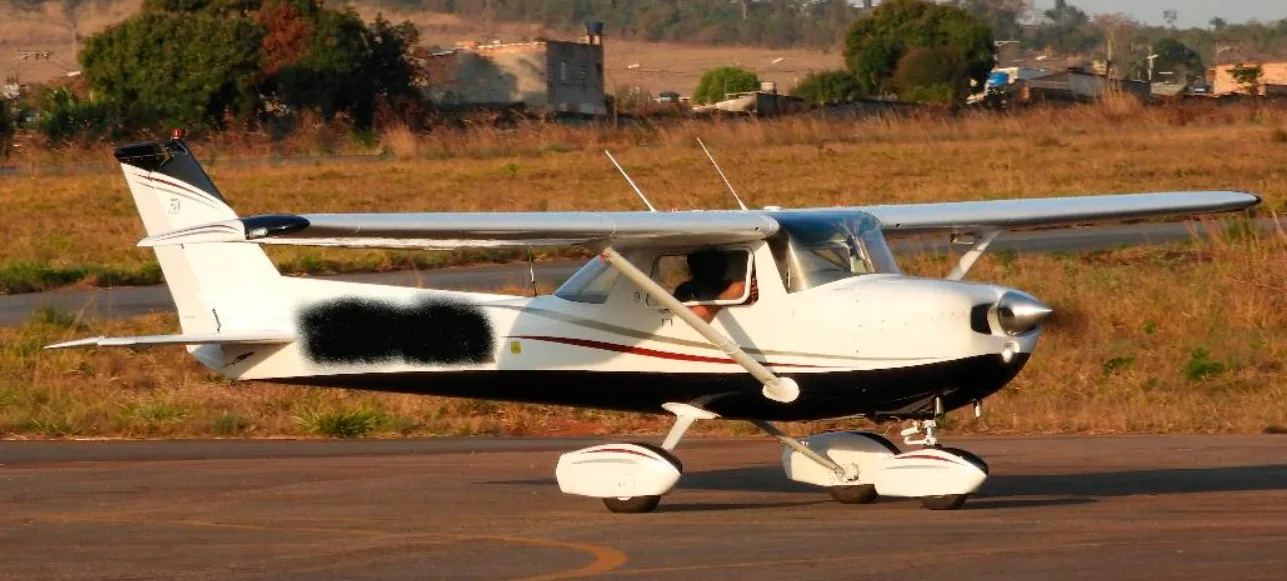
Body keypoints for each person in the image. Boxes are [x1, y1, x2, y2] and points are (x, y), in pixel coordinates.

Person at [673, 249, 748, 323]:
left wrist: (748, 292)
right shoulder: (685, 290)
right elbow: (693, 320)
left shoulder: (726, 285)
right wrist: (725, 298)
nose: (722, 266)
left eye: (722, 262)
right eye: (715, 263)